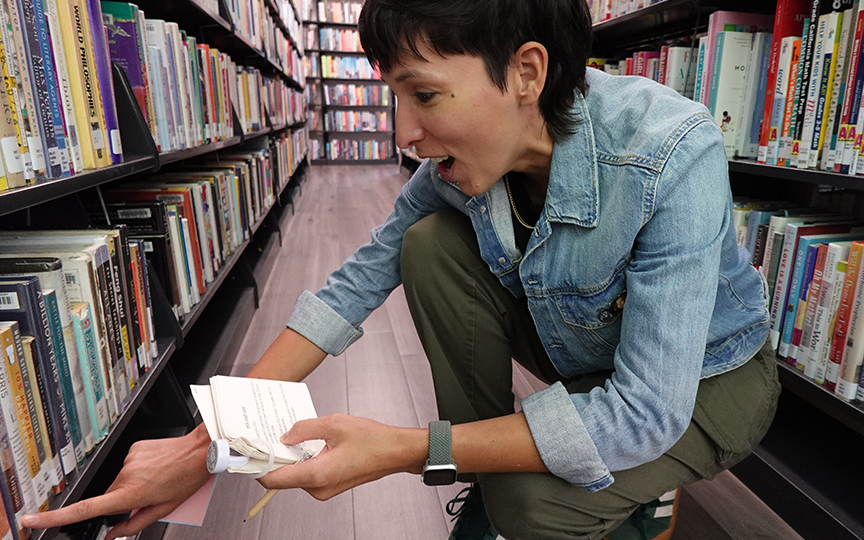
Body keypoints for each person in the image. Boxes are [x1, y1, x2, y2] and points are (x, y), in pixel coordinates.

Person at [23, 0, 780, 538]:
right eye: (392, 96)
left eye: (424, 94)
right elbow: (353, 286)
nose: (404, 133)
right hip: (587, 356)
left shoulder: (671, 153)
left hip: (707, 383)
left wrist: (415, 447)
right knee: (429, 245)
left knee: (531, 510)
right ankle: (493, 473)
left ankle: (593, 500)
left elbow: (648, 410)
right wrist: (204, 446)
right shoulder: (456, 168)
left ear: (526, 72)